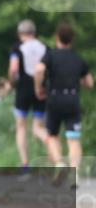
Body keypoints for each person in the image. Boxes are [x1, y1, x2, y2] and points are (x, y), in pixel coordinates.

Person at [34, 24, 93, 189]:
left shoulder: (50, 56)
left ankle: (59, 163)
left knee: (52, 135)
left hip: (54, 99)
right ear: (72, 40)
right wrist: (80, 82)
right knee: (73, 139)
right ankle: (74, 174)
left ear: (57, 38)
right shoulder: (78, 58)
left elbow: (39, 70)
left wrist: (39, 88)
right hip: (72, 99)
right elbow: (89, 83)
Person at [9, 19, 48, 178]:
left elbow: (13, 69)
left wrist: (12, 83)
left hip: (23, 90)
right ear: (34, 33)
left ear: (20, 34)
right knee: (39, 127)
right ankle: (52, 145)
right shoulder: (45, 47)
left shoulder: (17, 48)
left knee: (21, 127)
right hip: (41, 90)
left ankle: (25, 165)